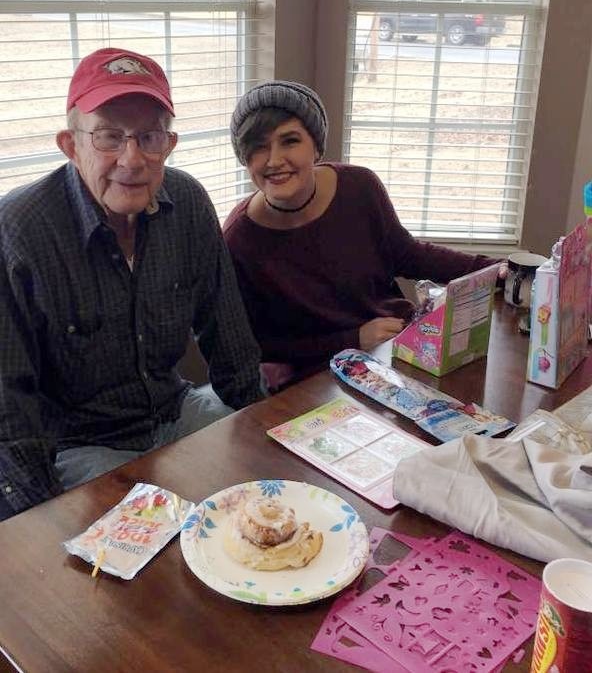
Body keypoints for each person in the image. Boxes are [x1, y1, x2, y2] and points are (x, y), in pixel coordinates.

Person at [0, 48, 263, 521]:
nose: (132, 158)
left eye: (149, 136)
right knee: (163, 546)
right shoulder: (20, 230)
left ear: (169, 142)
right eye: (109, 136)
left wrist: (259, 434)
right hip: (82, 445)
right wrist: (36, 524)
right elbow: (9, 406)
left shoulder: (188, 202)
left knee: (265, 500)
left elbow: (229, 336)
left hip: (177, 411)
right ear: (70, 144)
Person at [223, 80, 502, 392]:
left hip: (398, 347)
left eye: (290, 141)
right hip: (318, 380)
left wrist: (496, 269)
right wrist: (352, 340)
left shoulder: (359, 186)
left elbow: (407, 254)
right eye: (259, 146)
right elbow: (258, 345)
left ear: (316, 146)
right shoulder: (239, 240)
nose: (274, 160)